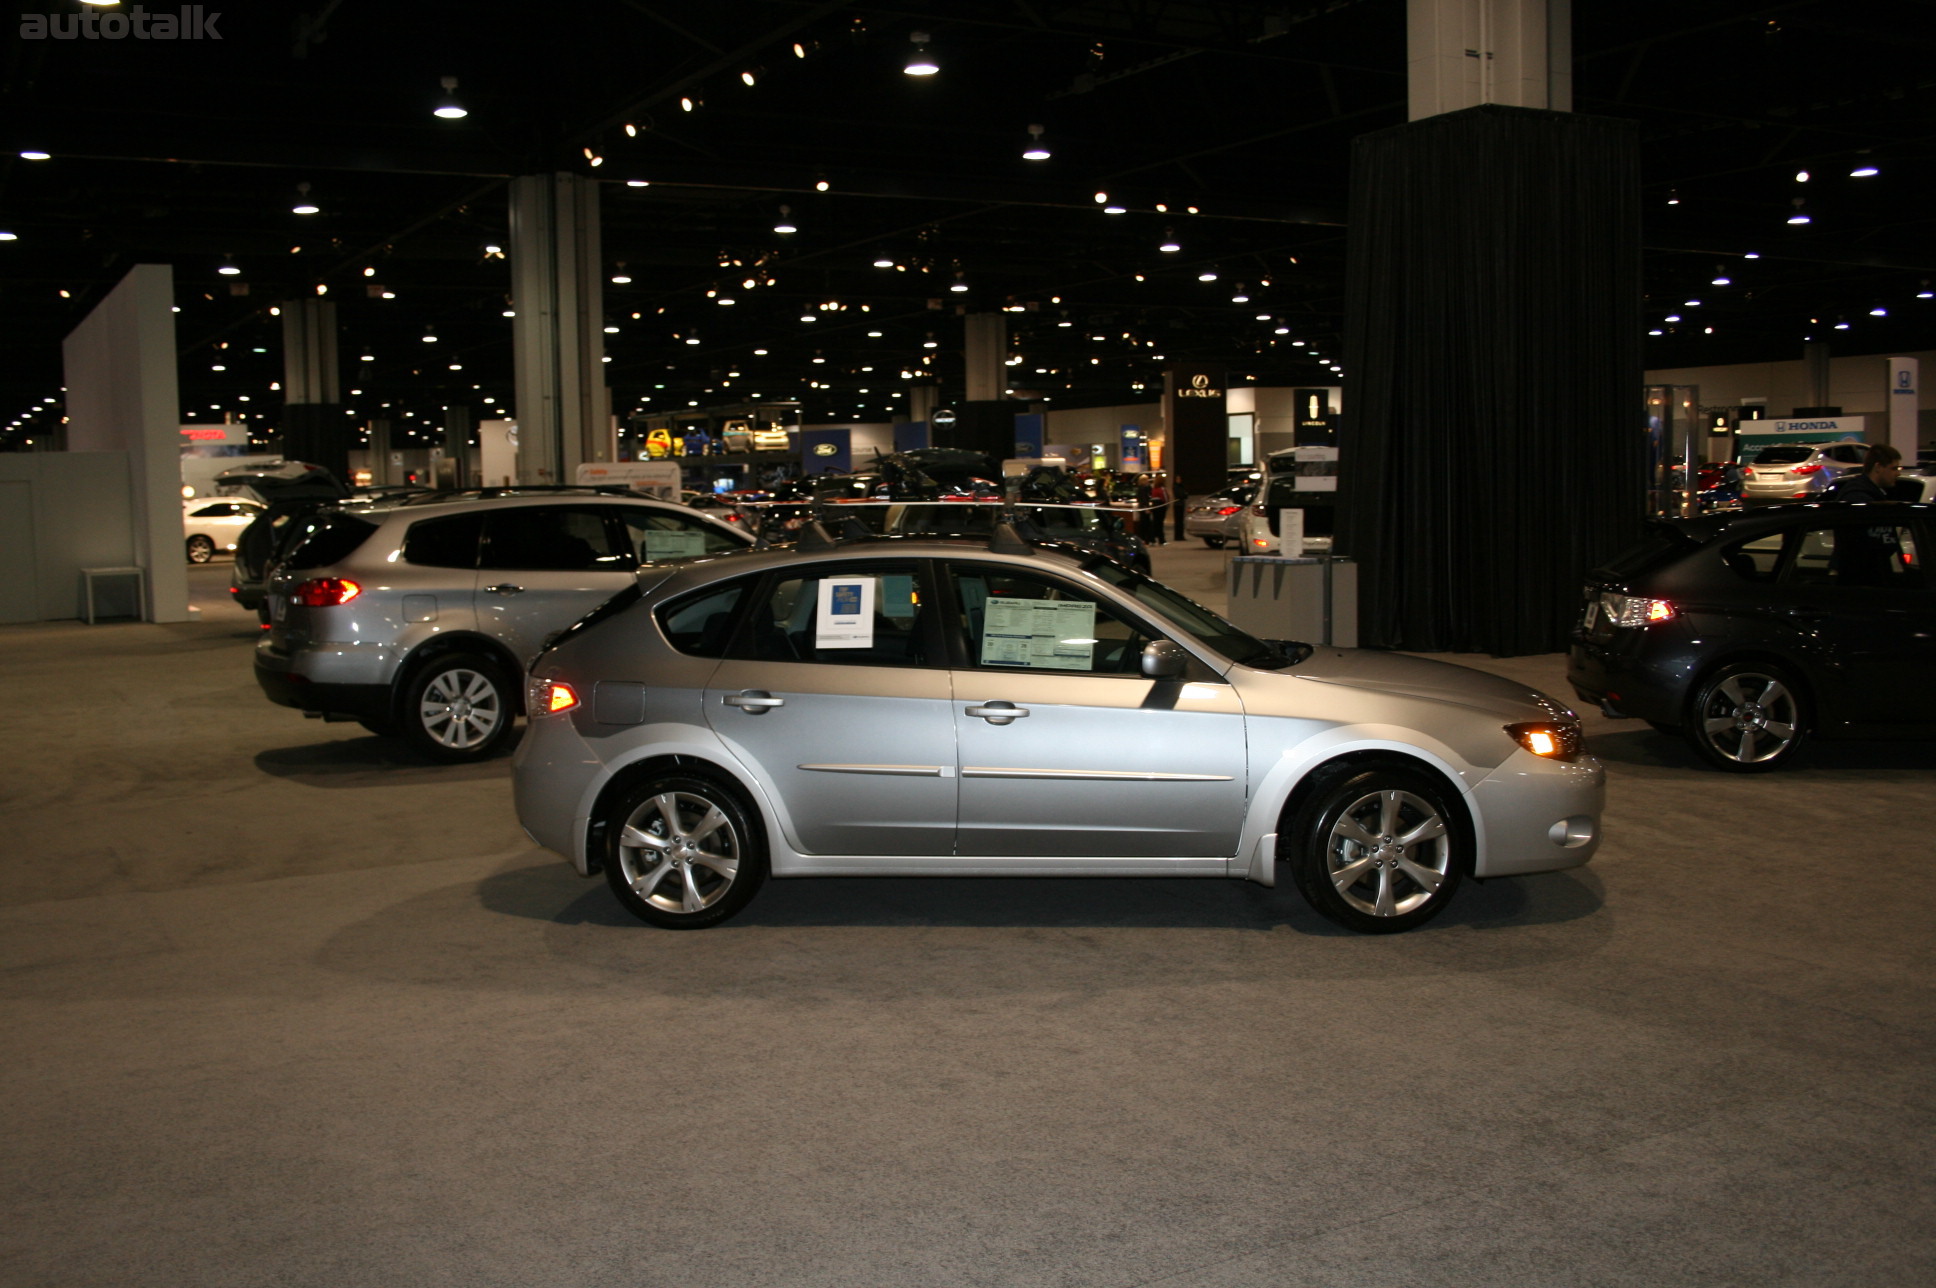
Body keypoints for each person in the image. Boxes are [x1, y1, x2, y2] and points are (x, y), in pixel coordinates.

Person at [1823, 442, 1902, 503]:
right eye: (1894, 469)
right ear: (1878, 467)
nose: (1898, 474)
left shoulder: (1867, 491)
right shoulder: (1859, 498)